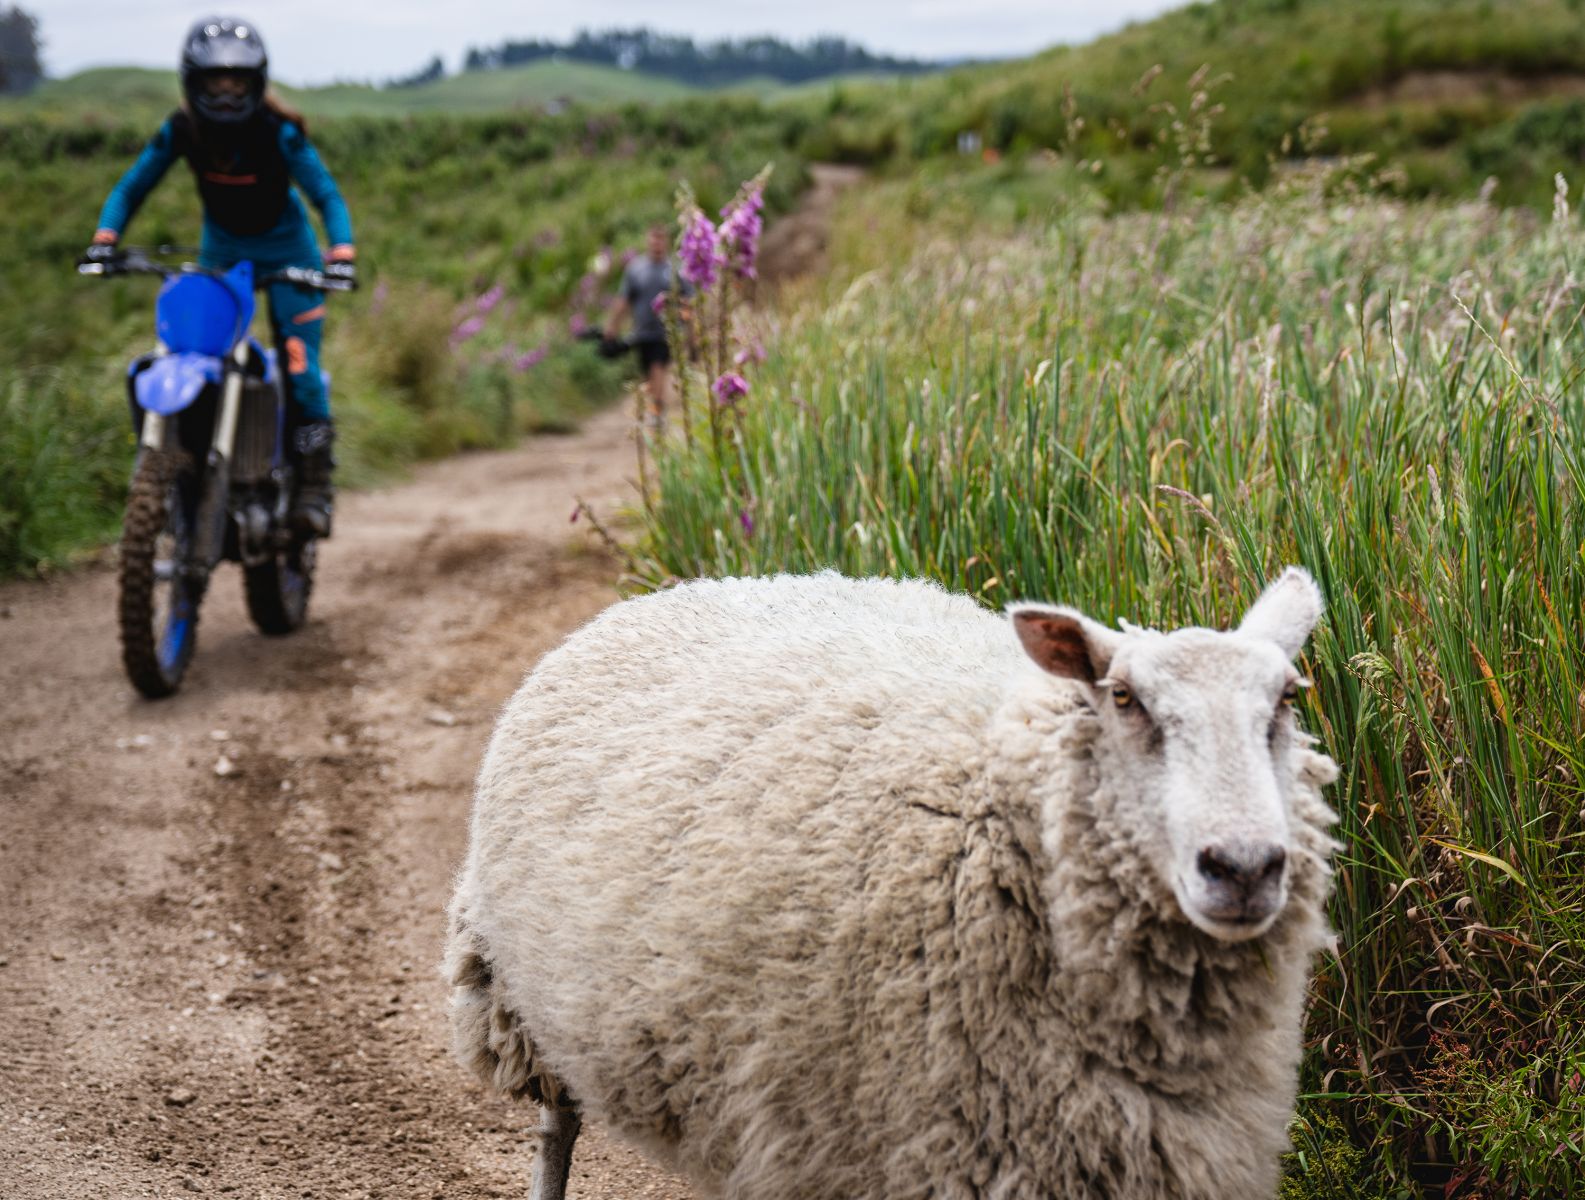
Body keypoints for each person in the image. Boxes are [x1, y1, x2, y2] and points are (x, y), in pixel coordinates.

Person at [88, 16, 355, 538]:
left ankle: (313, 487)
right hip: (223, 255)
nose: (227, 94)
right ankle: (194, 466)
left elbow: (326, 195)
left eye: (237, 82)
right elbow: (131, 187)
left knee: (300, 369)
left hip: (290, 255)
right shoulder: (182, 130)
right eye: (215, 82)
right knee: (196, 353)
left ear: (256, 83)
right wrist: (104, 239)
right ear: (194, 82)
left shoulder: (279, 132)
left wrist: (340, 254)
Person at [603, 224, 693, 426]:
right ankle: (655, 407)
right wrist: (612, 327)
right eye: (653, 239)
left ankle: (658, 412)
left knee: (657, 366)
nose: (657, 244)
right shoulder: (636, 269)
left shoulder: (676, 269)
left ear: (666, 242)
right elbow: (624, 300)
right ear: (647, 241)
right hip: (642, 331)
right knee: (648, 372)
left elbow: (689, 301)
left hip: (667, 331)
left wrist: (690, 332)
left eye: (661, 239)